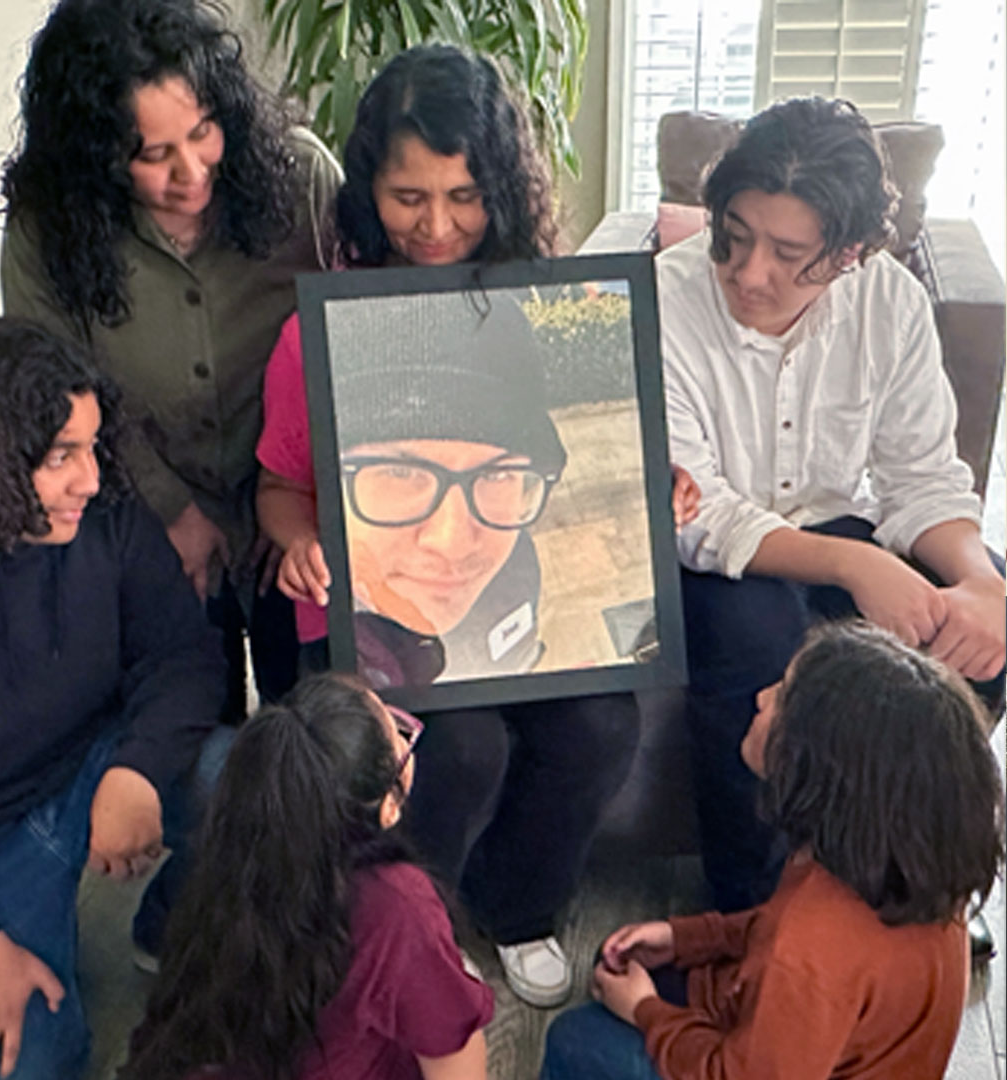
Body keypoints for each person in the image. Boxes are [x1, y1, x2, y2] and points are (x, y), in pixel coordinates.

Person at [255, 45, 701, 1008]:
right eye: (407, 195)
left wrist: (644, 472)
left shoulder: (544, 309)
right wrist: (295, 538)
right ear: (365, 188)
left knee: (597, 722)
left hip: (508, 589)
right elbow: (280, 486)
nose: (437, 224)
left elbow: (592, 454)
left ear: (502, 185)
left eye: (464, 195)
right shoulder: (317, 332)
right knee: (460, 747)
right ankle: (406, 920)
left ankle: (521, 905)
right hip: (371, 615)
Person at [656, 96, 1006, 912]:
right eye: (735, 238)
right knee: (755, 641)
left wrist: (980, 585)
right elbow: (697, 513)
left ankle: (906, 879)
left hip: (842, 518)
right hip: (722, 548)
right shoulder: (667, 299)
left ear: (848, 253)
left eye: (787, 253)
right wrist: (857, 566)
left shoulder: (892, 303)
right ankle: (751, 905)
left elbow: (921, 476)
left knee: (983, 633)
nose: (749, 273)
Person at [0, 0, 342, 715]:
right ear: (98, 158)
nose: (192, 172)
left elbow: (371, 339)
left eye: (203, 132)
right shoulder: (50, 229)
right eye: (154, 155)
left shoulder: (303, 180)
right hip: (140, 518)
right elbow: (55, 398)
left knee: (312, 748)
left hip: (300, 519)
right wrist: (172, 513)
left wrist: (307, 516)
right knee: (185, 737)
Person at [0, 318, 228, 1080]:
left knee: (247, 775)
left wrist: (135, 772)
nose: (90, 480)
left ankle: (170, 926)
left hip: (99, 750)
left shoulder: (109, 513)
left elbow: (184, 658)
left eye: (93, 447)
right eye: (62, 455)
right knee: (27, 1062)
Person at [540, 620, 1006, 1080]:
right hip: (798, 1032)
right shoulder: (899, 867)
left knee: (577, 1039)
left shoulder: (813, 947)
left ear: (822, 767)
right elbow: (777, 931)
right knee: (621, 962)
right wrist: (688, 937)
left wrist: (646, 1011)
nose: (762, 698)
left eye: (783, 696)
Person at [120, 673, 493, 1080]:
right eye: (401, 739)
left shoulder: (230, 858)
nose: (407, 744)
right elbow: (455, 1052)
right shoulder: (396, 905)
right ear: (386, 808)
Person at [327, 289, 569, 685]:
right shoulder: (308, 636)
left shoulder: (515, 570)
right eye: (401, 474)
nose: (452, 541)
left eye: (495, 475)